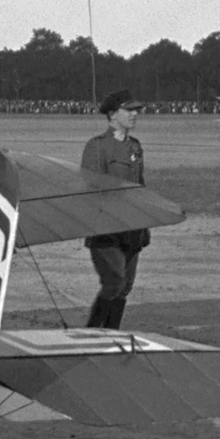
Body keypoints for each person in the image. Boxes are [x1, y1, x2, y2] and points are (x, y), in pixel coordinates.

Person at [81, 89, 150, 329]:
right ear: (112, 114)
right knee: (114, 281)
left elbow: (140, 186)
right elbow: (92, 189)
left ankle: (112, 335)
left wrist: (145, 224)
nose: (135, 114)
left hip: (132, 230)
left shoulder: (135, 147)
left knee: (124, 288)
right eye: (128, 110)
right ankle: (92, 334)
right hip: (106, 230)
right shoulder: (98, 147)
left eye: (136, 110)